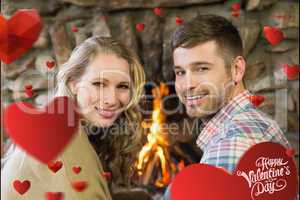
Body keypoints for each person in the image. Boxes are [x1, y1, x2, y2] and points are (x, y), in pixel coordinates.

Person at [1, 36, 145, 200]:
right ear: (73, 83)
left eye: (122, 86)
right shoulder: (62, 139)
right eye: (98, 84)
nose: (111, 99)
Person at [164, 14, 290, 199]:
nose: (187, 84)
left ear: (236, 70)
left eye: (201, 68)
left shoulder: (230, 144)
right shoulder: (262, 124)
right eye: (180, 72)